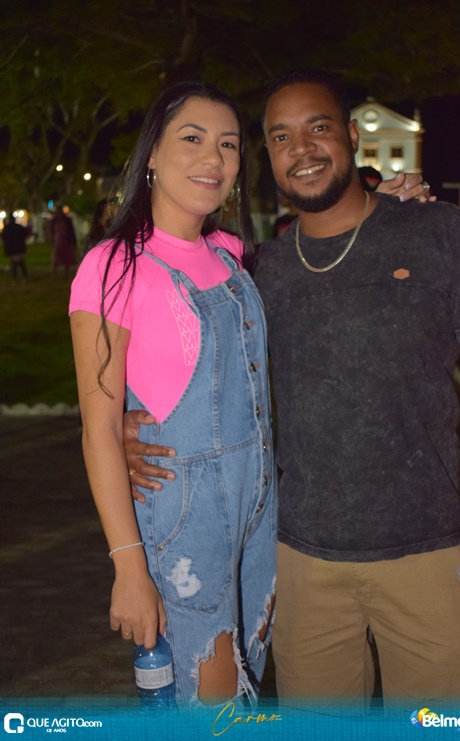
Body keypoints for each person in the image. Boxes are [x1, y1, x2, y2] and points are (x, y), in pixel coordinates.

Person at [125, 68, 460, 701]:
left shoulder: (436, 232)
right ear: (267, 156)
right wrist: (128, 430)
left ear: (352, 136)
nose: (302, 148)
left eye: (318, 127)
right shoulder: (256, 272)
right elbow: (196, 376)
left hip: (429, 556)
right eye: (280, 136)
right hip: (300, 565)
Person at [69, 81, 277, 705]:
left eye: (228, 144)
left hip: (261, 511)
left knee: (247, 690)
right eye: (193, 138)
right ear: (152, 154)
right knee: (208, 704)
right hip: (187, 522)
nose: (214, 157)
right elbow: (99, 427)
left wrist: (390, 199)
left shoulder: (231, 253)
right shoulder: (113, 267)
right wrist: (129, 567)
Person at [50, 205, 77, 277]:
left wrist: (73, 241)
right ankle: (53, 272)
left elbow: (71, 231)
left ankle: (66, 272)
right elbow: (51, 230)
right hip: (58, 240)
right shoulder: (55, 220)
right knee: (56, 256)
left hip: (66, 240)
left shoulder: (67, 220)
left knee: (66, 257)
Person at [2, 212, 28, 282]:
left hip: (12, 248)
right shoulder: (19, 227)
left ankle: (15, 279)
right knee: (21, 263)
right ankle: (24, 277)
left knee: (14, 264)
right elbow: (25, 234)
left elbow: (4, 237)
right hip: (20, 247)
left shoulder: (7, 228)